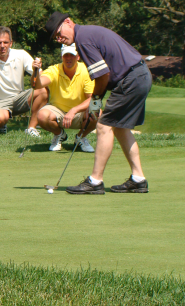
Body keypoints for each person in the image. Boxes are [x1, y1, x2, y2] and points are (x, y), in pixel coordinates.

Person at [45, 12, 152, 194]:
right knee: (120, 127)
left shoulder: (84, 39)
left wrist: (95, 99)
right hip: (139, 75)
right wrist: (96, 99)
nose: (59, 38)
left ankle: (95, 181)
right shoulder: (88, 34)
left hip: (131, 79)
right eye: (56, 37)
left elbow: (103, 74)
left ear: (68, 22)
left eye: (59, 32)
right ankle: (138, 178)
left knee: (103, 126)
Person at [32, 44, 96, 152]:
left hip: (79, 113)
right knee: (42, 116)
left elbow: (92, 99)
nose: (69, 58)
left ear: (78, 57)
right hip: (57, 111)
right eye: (66, 55)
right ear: (62, 56)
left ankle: (80, 138)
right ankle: (59, 135)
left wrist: (74, 110)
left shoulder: (86, 71)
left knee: (96, 111)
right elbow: (37, 85)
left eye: (72, 55)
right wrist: (35, 71)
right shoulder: (54, 70)